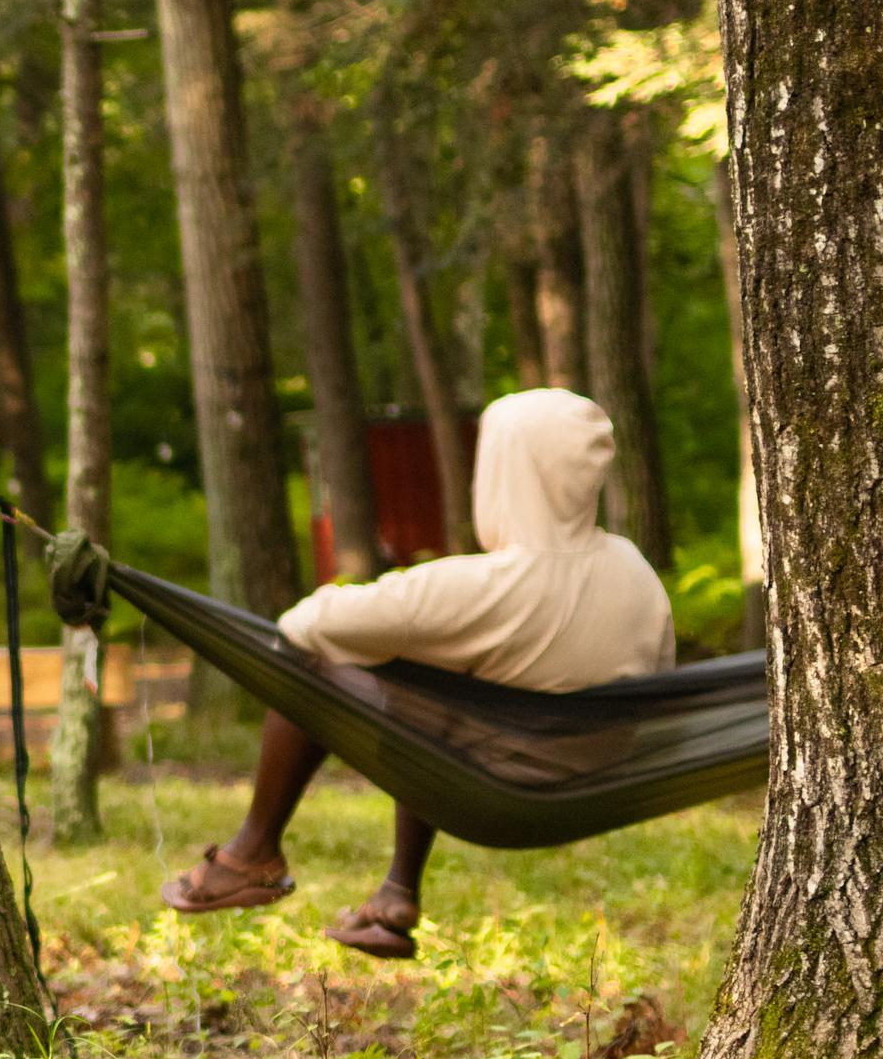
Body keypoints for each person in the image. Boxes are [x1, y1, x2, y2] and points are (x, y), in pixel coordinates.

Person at [159, 387, 675, 959]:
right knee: (439, 674)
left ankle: (251, 854)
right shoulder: (634, 570)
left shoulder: (483, 586)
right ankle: (397, 892)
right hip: (599, 786)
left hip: (499, 789)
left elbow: (302, 627)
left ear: (507, 473)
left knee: (314, 666)